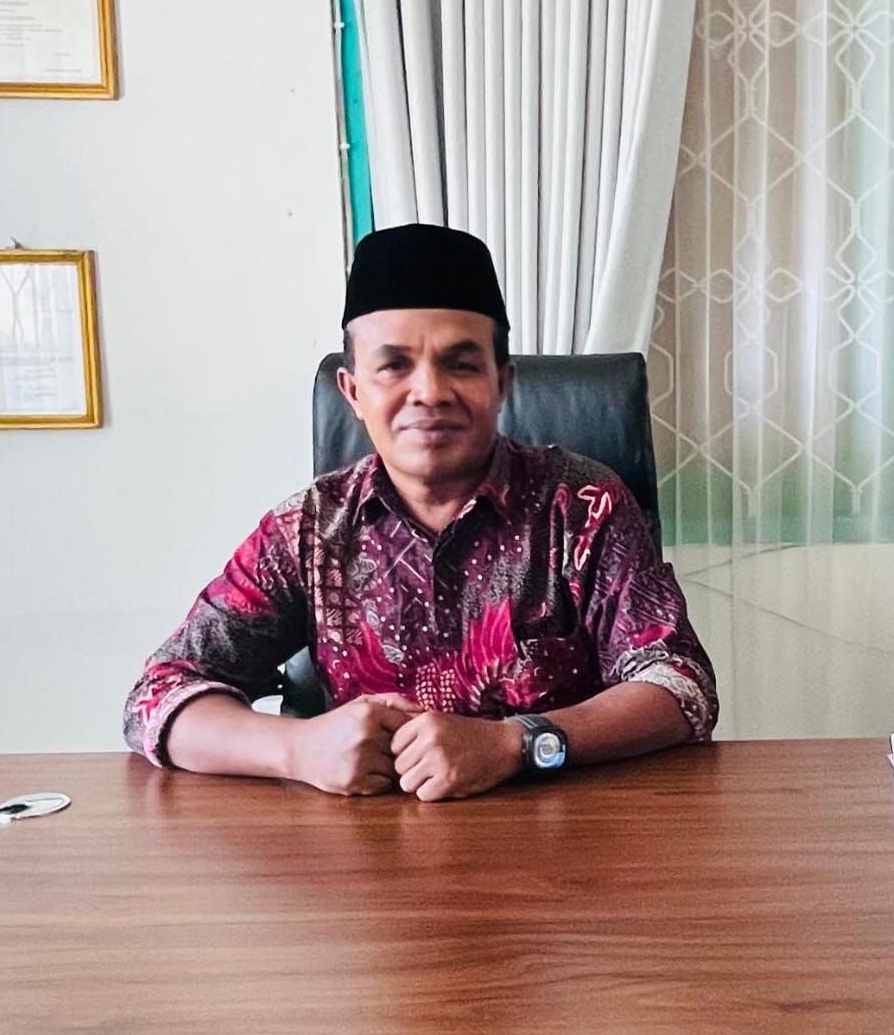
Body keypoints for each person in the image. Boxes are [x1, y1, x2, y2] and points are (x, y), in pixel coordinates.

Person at [124, 223, 717, 800]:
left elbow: (680, 686)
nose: (430, 392)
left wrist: (518, 743)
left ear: (502, 383)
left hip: (561, 837)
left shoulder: (583, 507)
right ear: (353, 392)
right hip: (365, 848)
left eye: (461, 364)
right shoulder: (307, 530)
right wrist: (298, 749)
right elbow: (158, 695)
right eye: (394, 365)